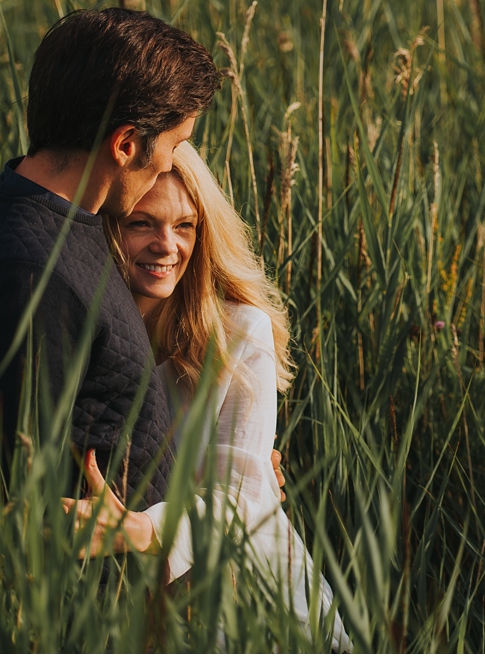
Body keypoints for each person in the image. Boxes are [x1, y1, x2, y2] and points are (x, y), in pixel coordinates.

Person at [64, 143, 351, 651]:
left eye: (185, 227)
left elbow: (242, 499)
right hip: (127, 608)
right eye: (141, 224)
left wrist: (138, 530)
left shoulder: (241, 334)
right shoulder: (78, 334)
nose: (166, 245)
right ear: (109, 228)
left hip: (251, 597)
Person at [0, 8, 218, 509]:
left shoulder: (61, 218)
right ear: (126, 144)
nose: (173, 164)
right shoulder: (32, 276)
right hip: (112, 582)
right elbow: (22, 494)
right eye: (175, 145)